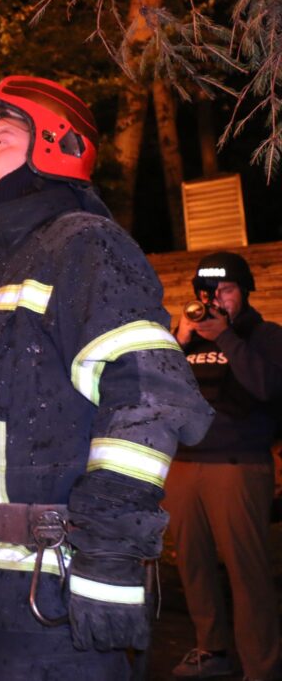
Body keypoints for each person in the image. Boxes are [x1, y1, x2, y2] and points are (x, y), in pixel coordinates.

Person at [0, 75, 214, 679]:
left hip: (58, 591)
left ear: (56, 144)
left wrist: (105, 550)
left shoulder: (85, 245)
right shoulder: (7, 262)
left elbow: (149, 399)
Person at [165, 251, 282, 681]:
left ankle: (262, 668)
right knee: (193, 566)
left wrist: (227, 338)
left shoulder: (265, 336)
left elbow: (269, 387)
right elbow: (152, 391)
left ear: (245, 292)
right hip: (183, 464)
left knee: (246, 571)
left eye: (226, 290)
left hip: (238, 466)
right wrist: (176, 343)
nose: (215, 300)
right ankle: (212, 650)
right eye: (206, 292)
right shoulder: (186, 339)